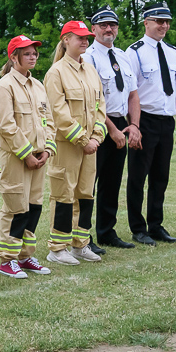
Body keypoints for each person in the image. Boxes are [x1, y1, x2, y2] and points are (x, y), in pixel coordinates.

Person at [43, 21, 107, 266]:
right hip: (67, 146)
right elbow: (58, 113)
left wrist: (96, 137)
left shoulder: (90, 70)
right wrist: (83, 139)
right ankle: (57, 248)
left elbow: (101, 107)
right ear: (66, 39)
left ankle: (80, 244)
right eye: (79, 37)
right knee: (63, 195)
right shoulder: (56, 73)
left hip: (90, 146)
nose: (85, 41)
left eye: (86, 37)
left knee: (86, 194)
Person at [125, 2, 176, 245]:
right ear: (146, 22)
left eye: (167, 21)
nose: (164, 25)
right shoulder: (134, 52)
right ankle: (137, 227)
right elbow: (132, 93)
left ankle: (156, 225)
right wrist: (135, 125)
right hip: (144, 120)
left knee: (161, 177)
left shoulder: (173, 52)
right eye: (159, 21)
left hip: (166, 121)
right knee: (138, 177)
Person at [0, 35, 55, 279]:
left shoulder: (38, 85)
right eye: (26, 53)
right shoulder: (5, 85)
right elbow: (6, 125)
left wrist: (47, 149)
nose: (32, 57)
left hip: (39, 157)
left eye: (34, 53)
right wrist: (27, 153)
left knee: (33, 206)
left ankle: (25, 255)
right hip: (17, 158)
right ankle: (7, 259)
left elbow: (49, 121)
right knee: (15, 206)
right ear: (14, 57)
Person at [82, 7, 142, 250]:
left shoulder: (122, 55)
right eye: (103, 25)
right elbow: (92, 101)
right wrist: (111, 130)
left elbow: (133, 94)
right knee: (89, 183)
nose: (109, 29)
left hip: (120, 122)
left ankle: (107, 231)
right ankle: (84, 236)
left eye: (113, 25)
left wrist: (134, 125)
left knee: (112, 181)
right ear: (93, 29)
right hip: (97, 123)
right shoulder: (88, 57)